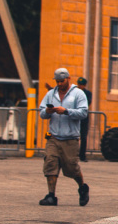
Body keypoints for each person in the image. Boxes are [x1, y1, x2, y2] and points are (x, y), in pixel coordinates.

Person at [37, 67, 90, 206]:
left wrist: (66, 111)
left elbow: (83, 113)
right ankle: (51, 195)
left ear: (68, 79)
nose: (60, 84)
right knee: (50, 163)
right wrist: (48, 111)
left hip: (70, 138)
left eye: (62, 81)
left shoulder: (78, 94)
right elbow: (41, 112)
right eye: (57, 81)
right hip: (54, 137)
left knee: (72, 168)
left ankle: (82, 187)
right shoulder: (51, 94)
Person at [76, 76, 93, 162]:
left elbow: (88, 102)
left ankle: (82, 155)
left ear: (84, 85)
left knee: (83, 136)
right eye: (79, 84)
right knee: (74, 136)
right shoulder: (74, 93)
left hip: (83, 116)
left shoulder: (88, 93)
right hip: (75, 115)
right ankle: (73, 154)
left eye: (81, 85)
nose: (80, 86)